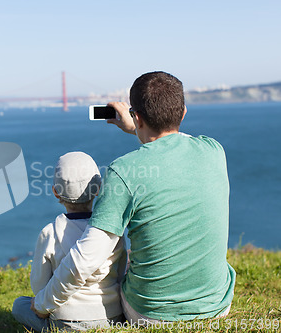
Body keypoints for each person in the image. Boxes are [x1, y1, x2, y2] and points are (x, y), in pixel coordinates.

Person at [31, 71, 236, 325]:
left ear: (136, 116)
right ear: (183, 113)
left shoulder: (124, 171)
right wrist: (139, 129)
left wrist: (42, 304)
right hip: (216, 304)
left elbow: (87, 259)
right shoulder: (214, 151)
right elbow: (174, 145)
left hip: (152, 315)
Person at [12, 152, 127, 331]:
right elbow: (120, 275)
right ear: (98, 190)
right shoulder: (112, 231)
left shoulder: (50, 232)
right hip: (111, 316)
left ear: (56, 192)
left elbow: (39, 286)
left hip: (66, 320)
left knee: (19, 305)